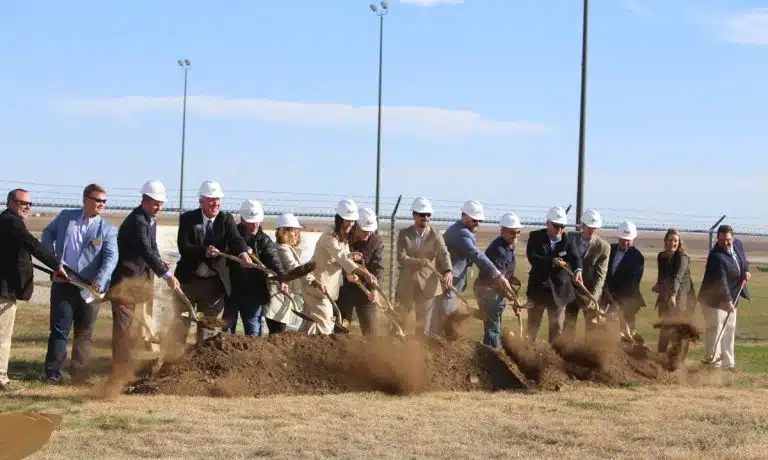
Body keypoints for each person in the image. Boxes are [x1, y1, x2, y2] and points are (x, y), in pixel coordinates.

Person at [41, 183, 119, 384]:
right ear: (85, 200)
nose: (101, 204)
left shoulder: (107, 229)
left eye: (104, 201)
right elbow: (47, 233)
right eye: (97, 200)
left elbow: (111, 258)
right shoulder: (67, 217)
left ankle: (79, 374)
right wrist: (52, 260)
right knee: (59, 330)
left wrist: (99, 281)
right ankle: (52, 374)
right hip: (63, 283)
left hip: (89, 289)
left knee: (84, 333)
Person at [0, 189, 68, 391]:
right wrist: (56, 265)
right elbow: (32, 244)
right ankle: (1, 379)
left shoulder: (5, 221)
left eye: (30, 204)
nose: (28, 207)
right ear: (11, 202)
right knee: (2, 337)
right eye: (23, 203)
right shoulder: (11, 221)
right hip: (3, 291)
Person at [110, 180, 180, 373]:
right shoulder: (137, 221)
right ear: (145, 201)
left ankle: (137, 365)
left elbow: (153, 249)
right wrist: (166, 275)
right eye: (156, 203)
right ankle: (120, 370)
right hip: (125, 282)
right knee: (123, 329)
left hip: (140, 282)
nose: (159, 207)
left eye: (161, 203)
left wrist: (160, 261)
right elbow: (145, 250)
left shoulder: (150, 219)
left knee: (140, 326)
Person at [172, 180, 250, 344]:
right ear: (201, 201)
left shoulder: (226, 220)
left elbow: (236, 239)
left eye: (218, 199)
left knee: (209, 330)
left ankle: (203, 366)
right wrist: (204, 251)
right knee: (179, 324)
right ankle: (173, 361)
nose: (215, 203)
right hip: (188, 281)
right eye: (211, 199)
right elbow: (184, 247)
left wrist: (243, 253)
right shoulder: (188, 219)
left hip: (214, 285)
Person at [302, 200, 375, 335]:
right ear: (340, 219)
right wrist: (364, 273)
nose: (351, 224)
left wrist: (351, 256)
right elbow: (341, 257)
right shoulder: (329, 236)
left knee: (311, 325)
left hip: (326, 289)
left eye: (353, 221)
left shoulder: (342, 236)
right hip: (318, 287)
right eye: (348, 220)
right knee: (326, 326)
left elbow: (344, 255)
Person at [441, 200, 510, 336]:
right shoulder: (461, 233)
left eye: (479, 220)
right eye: (474, 220)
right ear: (464, 216)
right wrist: (497, 275)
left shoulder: (464, 230)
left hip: (454, 281)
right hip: (449, 281)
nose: (477, 223)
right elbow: (475, 254)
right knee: (445, 315)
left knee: (448, 315)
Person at [224, 199, 290, 336]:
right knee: (227, 332)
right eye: (251, 221)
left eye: (257, 220)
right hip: (231, 292)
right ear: (242, 220)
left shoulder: (264, 241)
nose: (255, 224)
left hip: (254, 295)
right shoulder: (232, 237)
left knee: (254, 335)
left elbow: (275, 262)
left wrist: (282, 279)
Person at [394, 197, 452, 335]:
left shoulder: (436, 235)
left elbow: (444, 253)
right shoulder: (404, 234)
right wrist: (419, 262)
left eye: (428, 214)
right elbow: (401, 258)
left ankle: (419, 353)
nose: (425, 218)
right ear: (414, 215)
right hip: (406, 284)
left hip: (427, 286)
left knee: (423, 326)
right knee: (398, 322)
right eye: (422, 214)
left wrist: (448, 270)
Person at [525, 206, 582, 344]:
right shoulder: (535, 237)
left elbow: (575, 258)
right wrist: (551, 261)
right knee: (532, 327)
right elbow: (533, 258)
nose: (559, 230)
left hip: (559, 292)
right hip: (538, 289)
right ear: (547, 224)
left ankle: (552, 360)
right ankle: (526, 355)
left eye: (562, 226)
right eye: (556, 226)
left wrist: (578, 270)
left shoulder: (568, 241)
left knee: (557, 329)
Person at [698, 225, 751, 370]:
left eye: (727, 240)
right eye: (721, 240)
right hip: (713, 301)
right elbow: (722, 282)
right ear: (717, 239)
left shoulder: (738, 244)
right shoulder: (716, 256)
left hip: (733, 297)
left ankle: (729, 364)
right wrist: (727, 302)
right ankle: (714, 364)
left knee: (729, 330)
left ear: (732, 238)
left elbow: (744, 261)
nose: (725, 243)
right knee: (715, 331)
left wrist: (746, 270)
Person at [473, 213, 523, 348]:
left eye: (518, 232)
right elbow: (498, 281)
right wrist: (513, 299)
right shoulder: (499, 250)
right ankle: (493, 354)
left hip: (496, 292)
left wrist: (513, 298)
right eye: (512, 232)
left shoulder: (509, 247)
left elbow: (506, 276)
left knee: (494, 324)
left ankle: (492, 352)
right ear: (503, 231)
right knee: (493, 327)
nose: (516, 235)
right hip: (488, 291)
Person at [563, 209, 610, 342]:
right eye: (589, 228)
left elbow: (601, 275)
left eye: (594, 229)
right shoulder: (570, 238)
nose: (591, 231)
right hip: (570, 291)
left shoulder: (603, 247)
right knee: (568, 326)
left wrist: (593, 298)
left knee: (591, 330)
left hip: (589, 293)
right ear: (582, 226)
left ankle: (588, 357)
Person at [336, 208, 385, 336]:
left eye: (370, 231)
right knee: (339, 331)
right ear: (356, 225)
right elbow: (336, 260)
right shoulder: (343, 236)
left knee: (370, 333)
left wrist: (374, 289)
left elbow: (378, 268)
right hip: (343, 291)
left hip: (366, 293)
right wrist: (345, 273)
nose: (367, 235)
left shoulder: (375, 242)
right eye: (364, 231)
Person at [274, 213, 320, 332]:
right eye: (293, 231)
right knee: (279, 330)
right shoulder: (282, 248)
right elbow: (294, 267)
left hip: (287, 294)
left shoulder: (288, 248)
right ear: (283, 232)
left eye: (297, 231)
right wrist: (312, 280)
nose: (296, 234)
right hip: (281, 294)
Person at [602, 220, 645, 342]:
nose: (625, 242)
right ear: (618, 236)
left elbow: (631, 284)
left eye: (628, 240)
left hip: (627, 301)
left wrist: (617, 305)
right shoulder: (609, 249)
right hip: (607, 297)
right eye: (623, 239)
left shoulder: (638, 258)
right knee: (605, 329)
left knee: (627, 333)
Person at [654, 229, 696, 353]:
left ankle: (677, 361)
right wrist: (659, 286)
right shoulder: (661, 256)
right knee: (664, 327)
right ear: (665, 241)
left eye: (675, 241)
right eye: (670, 240)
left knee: (679, 331)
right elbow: (662, 275)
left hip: (683, 298)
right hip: (666, 297)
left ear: (679, 242)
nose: (672, 243)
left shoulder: (682, 257)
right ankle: (660, 357)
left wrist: (673, 295)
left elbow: (677, 277)